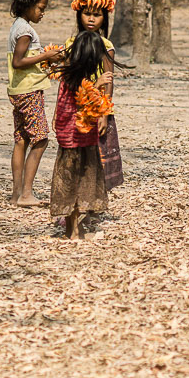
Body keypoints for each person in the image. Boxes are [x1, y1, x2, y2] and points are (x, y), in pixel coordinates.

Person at [50, 31, 117, 239]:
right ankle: (74, 231)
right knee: (75, 183)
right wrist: (98, 85)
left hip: (75, 138)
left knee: (74, 182)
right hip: (75, 139)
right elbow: (80, 102)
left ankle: (73, 229)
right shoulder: (78, 80)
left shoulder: (69, 76)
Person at [6, 0, 63, 207]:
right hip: (29, 91)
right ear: (28, 5)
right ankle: (27, 194)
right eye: (40, 8)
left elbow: (22, 61)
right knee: (40, 139)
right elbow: (19, 62)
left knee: (21, 140)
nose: (42, 13)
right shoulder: (25, 31)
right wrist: (45, 57)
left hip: (18, 90)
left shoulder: (17, 25)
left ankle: (16, 194)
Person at [65, 0, 124, 192]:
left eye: (97, 15)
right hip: (77, 107)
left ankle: (93, 200)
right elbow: (67, 79)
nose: (91, 19)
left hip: (98, 108)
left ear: (104, 18)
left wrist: (104, 113)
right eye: (87, 13)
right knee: (77, 154)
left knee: (98, 157)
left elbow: (108, 80)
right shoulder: (71, 43)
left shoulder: (106, 46)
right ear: (78, 14)